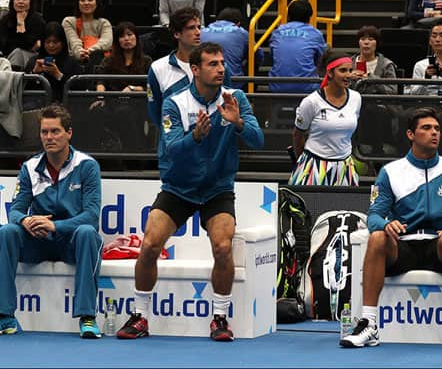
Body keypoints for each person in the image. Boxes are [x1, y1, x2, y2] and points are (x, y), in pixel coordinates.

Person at [116, 42, 264, 341]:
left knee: (223, 248)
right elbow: (171, 150)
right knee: (149, 245)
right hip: (179, 187)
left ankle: (220, 318)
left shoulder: (235, 98)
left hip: (217, 188)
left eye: (222, 63)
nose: (221, 68)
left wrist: (237, 124)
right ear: (195, 69)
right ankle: (140, 316)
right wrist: (195, 136)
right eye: (213, 64)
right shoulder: (175, 102)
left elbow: (258, 139)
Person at [340, 107, 442, 350]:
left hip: (438, 247)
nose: (433, 133)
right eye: (426, 128)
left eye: (437, 129)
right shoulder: (391, 172)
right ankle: (368, 324)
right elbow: (374, 216)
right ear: (410, 135)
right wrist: (386, 224)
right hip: (402, 248)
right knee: (377, 237)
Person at [0, 104, 103, 338]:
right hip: (38, 241)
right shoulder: (30, 167)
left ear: (69, 133)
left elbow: (91, 215)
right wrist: (26, 221)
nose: (49, 137)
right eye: (44, 132)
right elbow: (15, 209)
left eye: (55, 131)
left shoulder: (87, 166)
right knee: (7, 231)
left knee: (88, 232)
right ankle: (4, 316)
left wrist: (56, 226)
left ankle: (87, 317)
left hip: (70, 242)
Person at [289, 50, 361, 186]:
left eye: (350, 70)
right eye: (343, 70)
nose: (348, 75)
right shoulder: (311, 102)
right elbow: (298, 135)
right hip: (313, 166)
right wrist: (304, 163)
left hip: (345, 168)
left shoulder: (356, 98)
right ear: (330, 73)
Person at [87, 21, 152, 150]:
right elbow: (101, 81)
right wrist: (101, 97)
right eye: (122, 36)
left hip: (137, 103)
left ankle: (133, 154)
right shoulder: (109, 60)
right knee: (96, 111)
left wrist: (132, 88)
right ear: (117, 41)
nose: (126, 39)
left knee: (124, 112)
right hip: (111, 101)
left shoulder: (146, 61)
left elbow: (150, 88)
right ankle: (98, 154)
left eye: (129, 34)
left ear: (136, 38)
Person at [268, 0, 326, 93]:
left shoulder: (277, 32)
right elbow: (323, 59)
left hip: (277, 86)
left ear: (288, 15)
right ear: (309, 17)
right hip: (307, 88)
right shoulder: (315, 34)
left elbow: (273, 56)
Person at [200, 7, 263, 88]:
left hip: (204, 81)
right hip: (233, 83)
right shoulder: (241, 32)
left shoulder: (202, 31)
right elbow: (259, 55)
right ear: (238, 23)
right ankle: (251, 94)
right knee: (253, 60)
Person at [27, 21, 82, 103]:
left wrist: (58, 75)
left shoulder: (72, 62)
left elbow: (80, 89)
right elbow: (23, 89)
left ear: (62, 43)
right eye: (47, 42)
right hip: (37, 105)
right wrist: (34, 73)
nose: (51, 45)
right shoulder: (34, 61)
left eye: (55, 42)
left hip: (64, 106)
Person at [61, 0, 112, 71]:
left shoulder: (104, 23)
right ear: (78, 3)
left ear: (97, 3)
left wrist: (90, 51)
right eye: (82, 0)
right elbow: (73, 41)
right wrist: (81, 53)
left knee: (97, 55)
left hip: (98, 61)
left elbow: (106, 42)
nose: (86, 3)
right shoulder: (68, 21)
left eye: (90, 0)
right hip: (75, 59)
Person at [0, 0, 45, 69]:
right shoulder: (6, 19)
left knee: (18, 53)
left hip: (31, 57)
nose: (20, 1)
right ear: (12, 2)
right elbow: (3, 45)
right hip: (7, 56)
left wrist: (20, 23)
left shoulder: (37, 20)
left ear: (30, 2)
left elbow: (27, 44)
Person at [349, 25, 397, 95]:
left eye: (371, 39)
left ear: (377, 43)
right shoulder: (348, 63)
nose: (366, 42)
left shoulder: (386, 64)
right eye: (362, 39)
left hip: (378, 103)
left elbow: (392, 91)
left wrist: (371, 78)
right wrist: (349, 78)